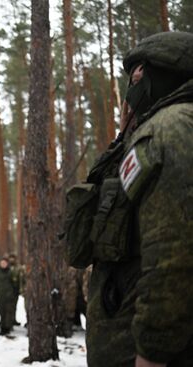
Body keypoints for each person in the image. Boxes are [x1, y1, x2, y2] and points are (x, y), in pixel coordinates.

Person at [64, 31, 193, 367]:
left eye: (137, 72)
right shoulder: (152, 130)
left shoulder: (171, 129)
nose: (131, 84)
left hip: (145, 348)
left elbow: (173, 252)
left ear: (146, 74)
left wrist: (152, 351)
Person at [0, 254, 20, 335]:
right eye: (2, 263)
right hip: (0, 296)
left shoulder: (10, 272)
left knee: (8, 312)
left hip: (9, 296)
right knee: (1, 311)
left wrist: (13, 293)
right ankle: (2, 328)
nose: (3, 264)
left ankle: (7, 328)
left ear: (7, 264)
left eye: (4, 263)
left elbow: (15, 284)